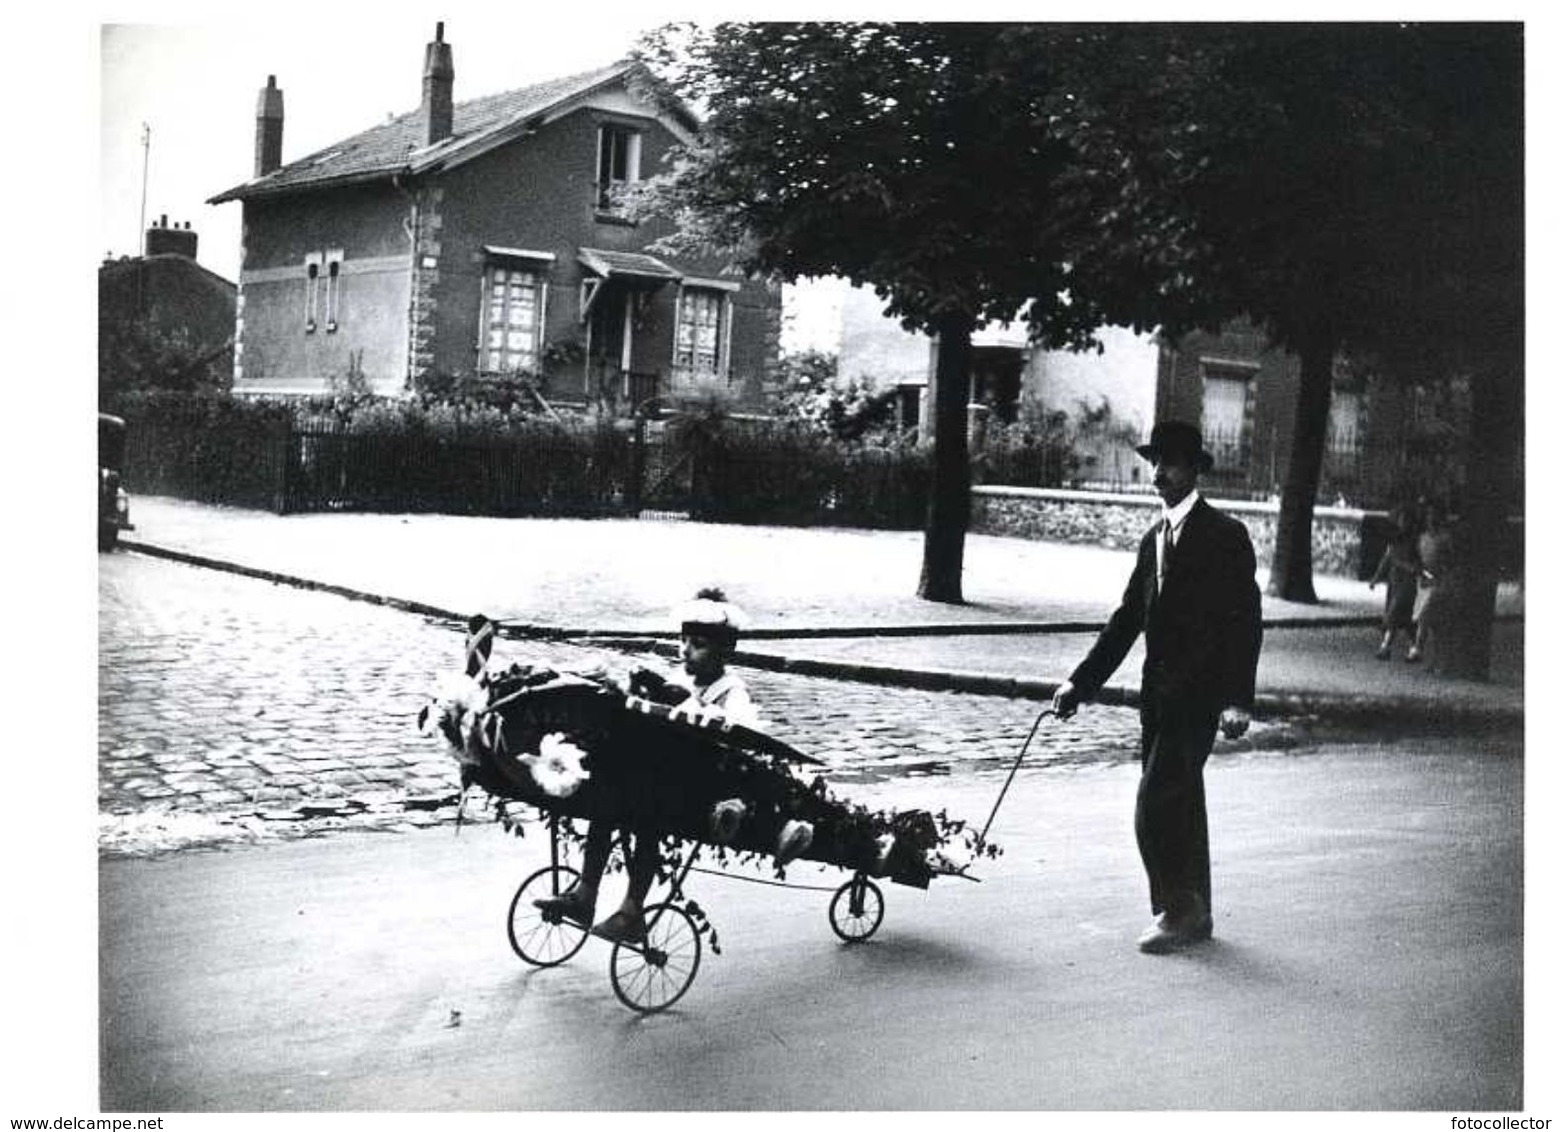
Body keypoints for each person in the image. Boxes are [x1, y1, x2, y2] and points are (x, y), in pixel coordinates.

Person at [1051, 421, 1263, 954]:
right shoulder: (1153, 541)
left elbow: (1245, 620)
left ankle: (1174, 909)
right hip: (1158, 700)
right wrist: (1081, 683)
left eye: (1169, 463)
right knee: (1182, 801)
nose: (1157, 473)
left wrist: (1238, 699)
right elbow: (1127, 620)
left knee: (1155, 805)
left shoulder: (1225, 535)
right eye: (1154, 462)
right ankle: (1198, 910)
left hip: (1200, 699)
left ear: (1194, 470)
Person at [533, 587, 790, 944]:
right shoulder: (679, 678)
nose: (686, 650)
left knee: (648, 817)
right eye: (683, 640)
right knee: (605, 804)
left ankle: (632, 911)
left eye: (698, 643)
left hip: (697, 788)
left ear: (723, 651)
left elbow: (739, 739)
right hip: (659, 774)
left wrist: (689, 704)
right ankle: (584, 894)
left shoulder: (731, 693)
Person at [1369, 504, 1421, 661]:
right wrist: (1376, 578)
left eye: (1405, 520)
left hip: (1408, 582)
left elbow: (1418, 562)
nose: (1403, 523)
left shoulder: (1415, 540)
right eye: (1401, 520)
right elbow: (1387, 559)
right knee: (1404, 618)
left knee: (1394, 612)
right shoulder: (1394, 539)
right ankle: (1415, 647)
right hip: (1395, 581)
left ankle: (1385, 647)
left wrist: (1410, 567)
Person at [1409, 501, 1457, 667]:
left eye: (1434, 515)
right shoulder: (1423, 537)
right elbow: (1419, 558)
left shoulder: (1445, 538)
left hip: (1440, 581)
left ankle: (1418, 648)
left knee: (1428, 615)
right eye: (1429, 516)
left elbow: (1450, 560)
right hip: (1425, 580)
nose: (1431, 519)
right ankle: (1433, 658)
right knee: (1431, 621)